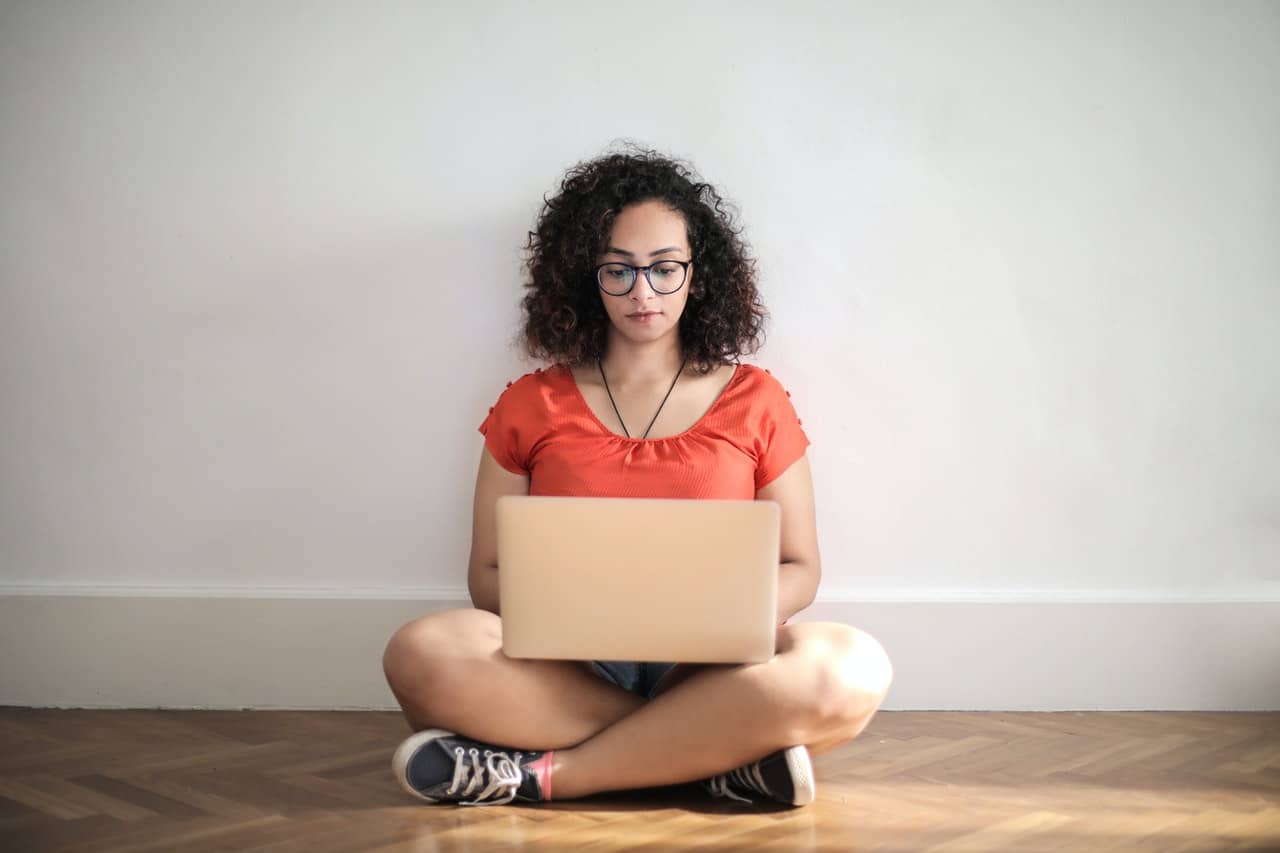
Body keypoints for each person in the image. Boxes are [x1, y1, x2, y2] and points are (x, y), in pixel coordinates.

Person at [381, 146, 893, 807]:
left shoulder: (757, 399)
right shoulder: (529, 403)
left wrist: (715, 617)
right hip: (568, 667)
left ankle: (545, 775)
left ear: (697, 275)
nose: (642, 292)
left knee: (850, 668)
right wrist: (578, 612)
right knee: (421, 650)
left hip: (712, 666)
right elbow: (486, 575)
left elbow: (800, 566)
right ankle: (712, 757)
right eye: (618, 270)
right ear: (586, 278)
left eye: (664, 268)